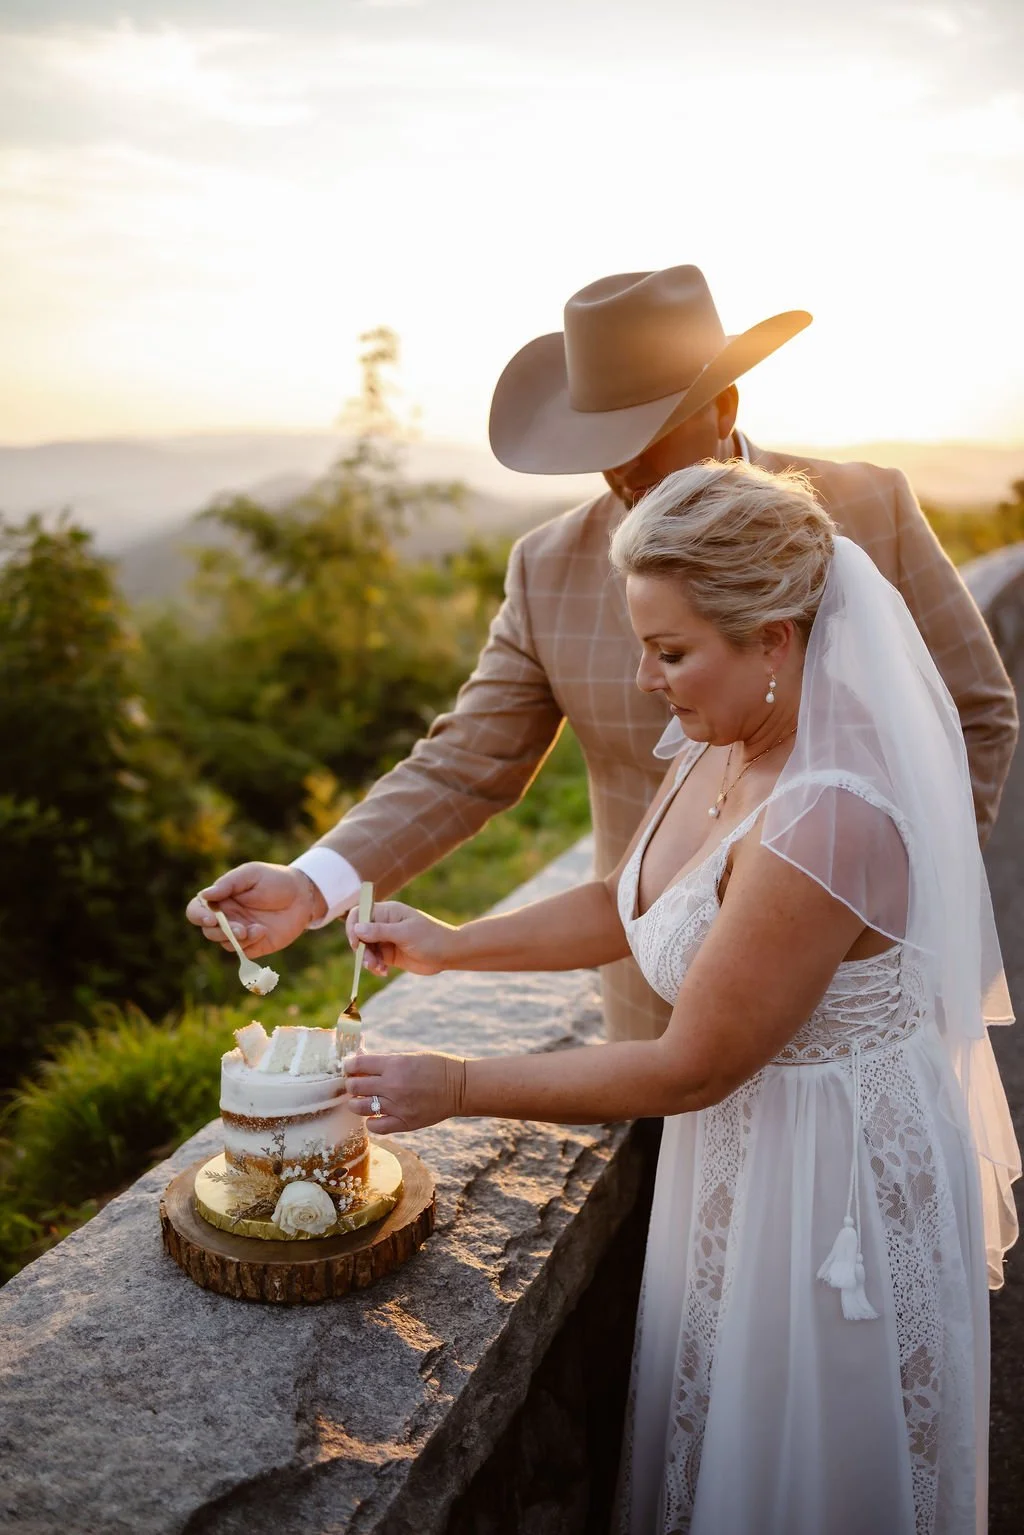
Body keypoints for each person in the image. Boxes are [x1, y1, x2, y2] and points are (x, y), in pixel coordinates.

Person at [336, 460, 1021, 1535]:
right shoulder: (720, 740)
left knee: (803, 1465)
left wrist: (454, 1081)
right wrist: (452, 947)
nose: (646, 680)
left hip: (822, 1183)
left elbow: (690, 1062)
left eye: (669, 651)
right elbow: (633, 899)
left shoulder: (824, 816)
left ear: (773, 640)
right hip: (748, 1154)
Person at [186, 266, 1017, 1044]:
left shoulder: (870, 508)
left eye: (645, 435)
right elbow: (463, 764)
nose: (622, 469)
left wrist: (893, 906)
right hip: (656, 1012)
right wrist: (312, 884)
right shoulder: (545, 570)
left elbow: (975, 713)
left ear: (724, 406)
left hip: (865, 1005)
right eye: (601, 439)